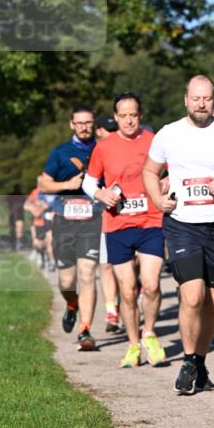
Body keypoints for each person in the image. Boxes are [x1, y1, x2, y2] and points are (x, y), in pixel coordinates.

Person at [142, 75, 214, 395]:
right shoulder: (169, 134)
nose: (201, 104)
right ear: (186, 100)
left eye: (207, 98)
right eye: (196, 98)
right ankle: (189, 361)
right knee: (192, 296)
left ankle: (200, 361)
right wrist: (156, 199)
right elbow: (149, 171)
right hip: (182, 224)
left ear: (213, 100)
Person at [84, 94, 166, 368]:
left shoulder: (154, 141)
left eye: (133, 114)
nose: (129, 120)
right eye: (123, 115)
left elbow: (172, 171)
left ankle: (150, 334)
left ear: (140, 115)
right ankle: (133, 346)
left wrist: (165, 184)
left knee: (152, 284)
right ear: (116, 117)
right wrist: (100, 194)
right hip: (117, 224)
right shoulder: (104, 147)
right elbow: (89, 181)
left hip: (150, 221)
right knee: (128, 292)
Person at [40, 105, 101, 351]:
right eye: (80, 123)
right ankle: (72, 304)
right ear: (72, 125)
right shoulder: (60, 152)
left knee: (87, 273)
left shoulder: (102, 149)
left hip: (92, 220)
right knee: (67, 280)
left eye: (89, 123)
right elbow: (45, 184)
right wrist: (68, 184)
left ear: (93, 124)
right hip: (64, 221)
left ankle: (85, 329)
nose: (85, 127)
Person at [93, 114, 121, 333]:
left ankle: (128, 299)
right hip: (104, 217)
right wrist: (99, 193)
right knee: (106, 265)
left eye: (114, 130)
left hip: (134, 216)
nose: (111, 135)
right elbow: (90, 183)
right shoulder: (98, 152)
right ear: (98, 131)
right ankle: (111, 311)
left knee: (132, 268)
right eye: (107, 131)